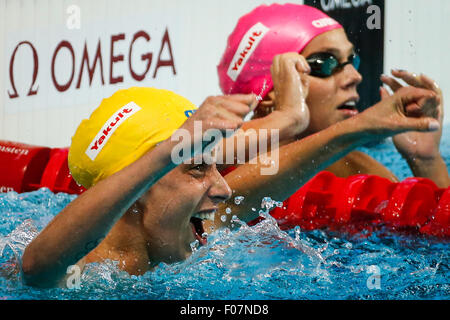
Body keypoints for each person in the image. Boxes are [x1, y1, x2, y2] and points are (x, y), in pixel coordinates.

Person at [22, 82, 439, 288]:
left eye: (215, 167)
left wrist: (362, 127)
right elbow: (38, 267)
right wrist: (169, 151)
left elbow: (257, 184)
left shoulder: (190, 230)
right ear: (138, 185)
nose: (223, 189)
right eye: (197, 169)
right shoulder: (87, 278)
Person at [217, 3, 449, 188]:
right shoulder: (214, 165)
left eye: (351, 61)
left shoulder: (358, 169)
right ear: (268, 94)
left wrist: (426, 159)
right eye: (325, 63)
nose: (355, 76)